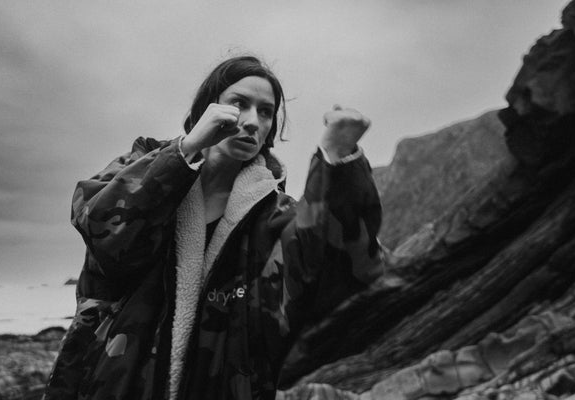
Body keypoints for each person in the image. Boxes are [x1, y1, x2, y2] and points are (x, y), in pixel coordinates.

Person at [44, 55, 383, 400]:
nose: (253, 121)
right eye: (240, 104)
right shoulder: (143, 162)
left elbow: (335, 274)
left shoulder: (275, 218)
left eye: (266, 112)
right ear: (207, 109)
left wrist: (335, 161)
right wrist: (186, 150)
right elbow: (102, 231)